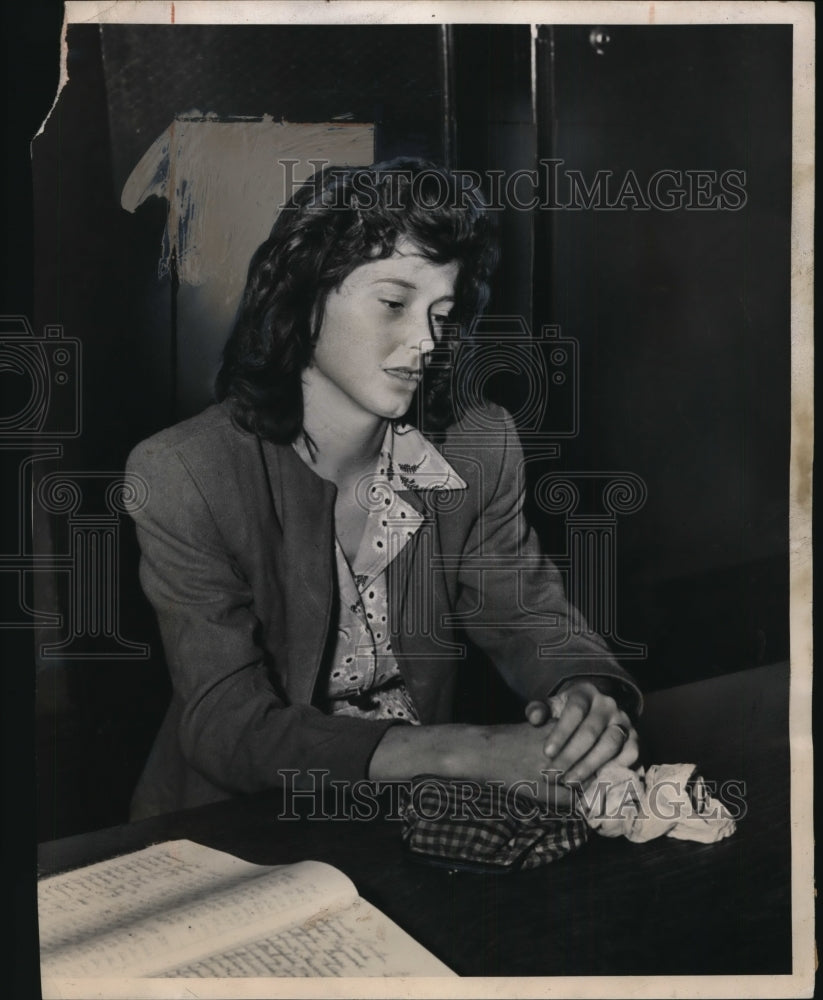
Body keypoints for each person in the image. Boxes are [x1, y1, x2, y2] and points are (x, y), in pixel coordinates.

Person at [126, 157, 642, 821]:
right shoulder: (184, 473)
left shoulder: (477, 446)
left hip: (413, 812)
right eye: (394, 304)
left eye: (442, 313)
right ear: (304, 297)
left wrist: (583, 694)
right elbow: (230, 725)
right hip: (238, 822)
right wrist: (467, 753)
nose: (425, 340)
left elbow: (526, 616)